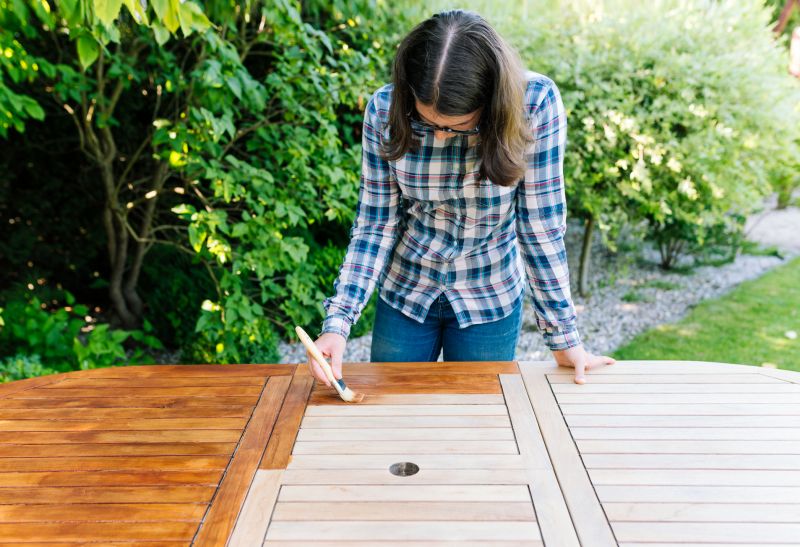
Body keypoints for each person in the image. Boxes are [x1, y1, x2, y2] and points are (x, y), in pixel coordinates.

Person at [306, 9, 615, 385]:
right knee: (395, 414)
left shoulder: (535, 105)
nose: (437, 136)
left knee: (478, 421)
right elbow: (375, 224)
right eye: (427, 123)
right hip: (405, 290)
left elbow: (540, 228)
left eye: (455, 128)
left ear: (490, 104)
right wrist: (337, 324)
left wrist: (564, 338)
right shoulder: (385, 110)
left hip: (491, 294)